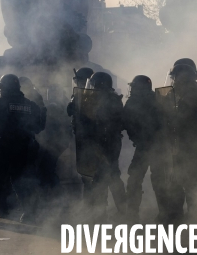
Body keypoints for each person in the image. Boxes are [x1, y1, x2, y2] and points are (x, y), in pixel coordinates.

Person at [0, 74, 45, 227]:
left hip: (5, 148)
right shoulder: (30, 105)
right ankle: (31, 215)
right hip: (24, 150)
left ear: (4, 88)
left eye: (0, 87)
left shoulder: (0, 103)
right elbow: (39, 127)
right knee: (21, 182)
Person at [70, 71, 126, 222]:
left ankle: (103, 215)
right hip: (107, 143)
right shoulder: (110, 98)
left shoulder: (106, 100)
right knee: (109, 176)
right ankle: (122, 212)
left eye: (93, 84)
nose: (91, 87)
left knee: (104, 177)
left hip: (105, 144)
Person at [166, 63, 197, 222]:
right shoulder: (192, 91)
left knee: (190, 179)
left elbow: (181, 119)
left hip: (188, 144)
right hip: (187, 143)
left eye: (176, 77)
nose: (174, 80)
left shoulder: (191, 94)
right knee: (187, 178)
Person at [124, 75, 170, 222]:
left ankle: (132, 215)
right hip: (157, 146)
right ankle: (165, 214)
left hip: (145, 147)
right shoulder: (158, 98)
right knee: (158, 180)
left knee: (135, 180)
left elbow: (125, 120)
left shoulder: (133, 102)